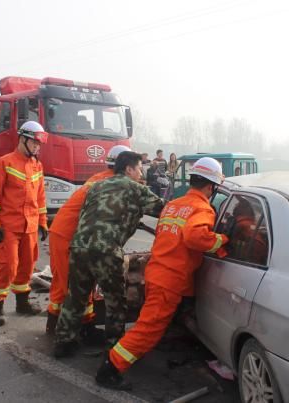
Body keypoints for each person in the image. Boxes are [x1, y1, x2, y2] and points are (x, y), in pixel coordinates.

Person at [95, 157, 229, 390]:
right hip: (168, 280)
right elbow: (194, 237)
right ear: (211, 186)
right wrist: (222, 240)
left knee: (151, 324)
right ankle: (111, 368)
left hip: (158, 272)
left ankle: (114, 360)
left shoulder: (175, 204)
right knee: (149, 330)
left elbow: (170, 238)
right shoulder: (201, 208)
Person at [54, 151, 165, 358]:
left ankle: (63, 342)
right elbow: (164, 211)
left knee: (76, 297)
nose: (141, 173)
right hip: (106, 250)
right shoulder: (136, 188)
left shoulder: (96, 186)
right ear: (129, 169)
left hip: (78, 247)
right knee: (115, 301)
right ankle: (114, 348)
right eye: (139, 168)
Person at [46, 145, 131, 341]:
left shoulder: (100, 178)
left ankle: (54, 325)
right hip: (70, 236)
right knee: (78, 286)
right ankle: (81, 329)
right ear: (125, 167)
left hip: (63, 232)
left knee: (65, 283)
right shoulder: (111, 184)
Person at [0, 121, 49, 326]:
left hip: (30, 226)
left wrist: (43, 221)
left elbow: (40, 197)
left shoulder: (37, 165)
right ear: (23, 139)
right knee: (8, 266)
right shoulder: (4, 163)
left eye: (40, 145)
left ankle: (22, 303)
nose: (38, 148)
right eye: (35, 143)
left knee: (27, 266)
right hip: (9, 226)